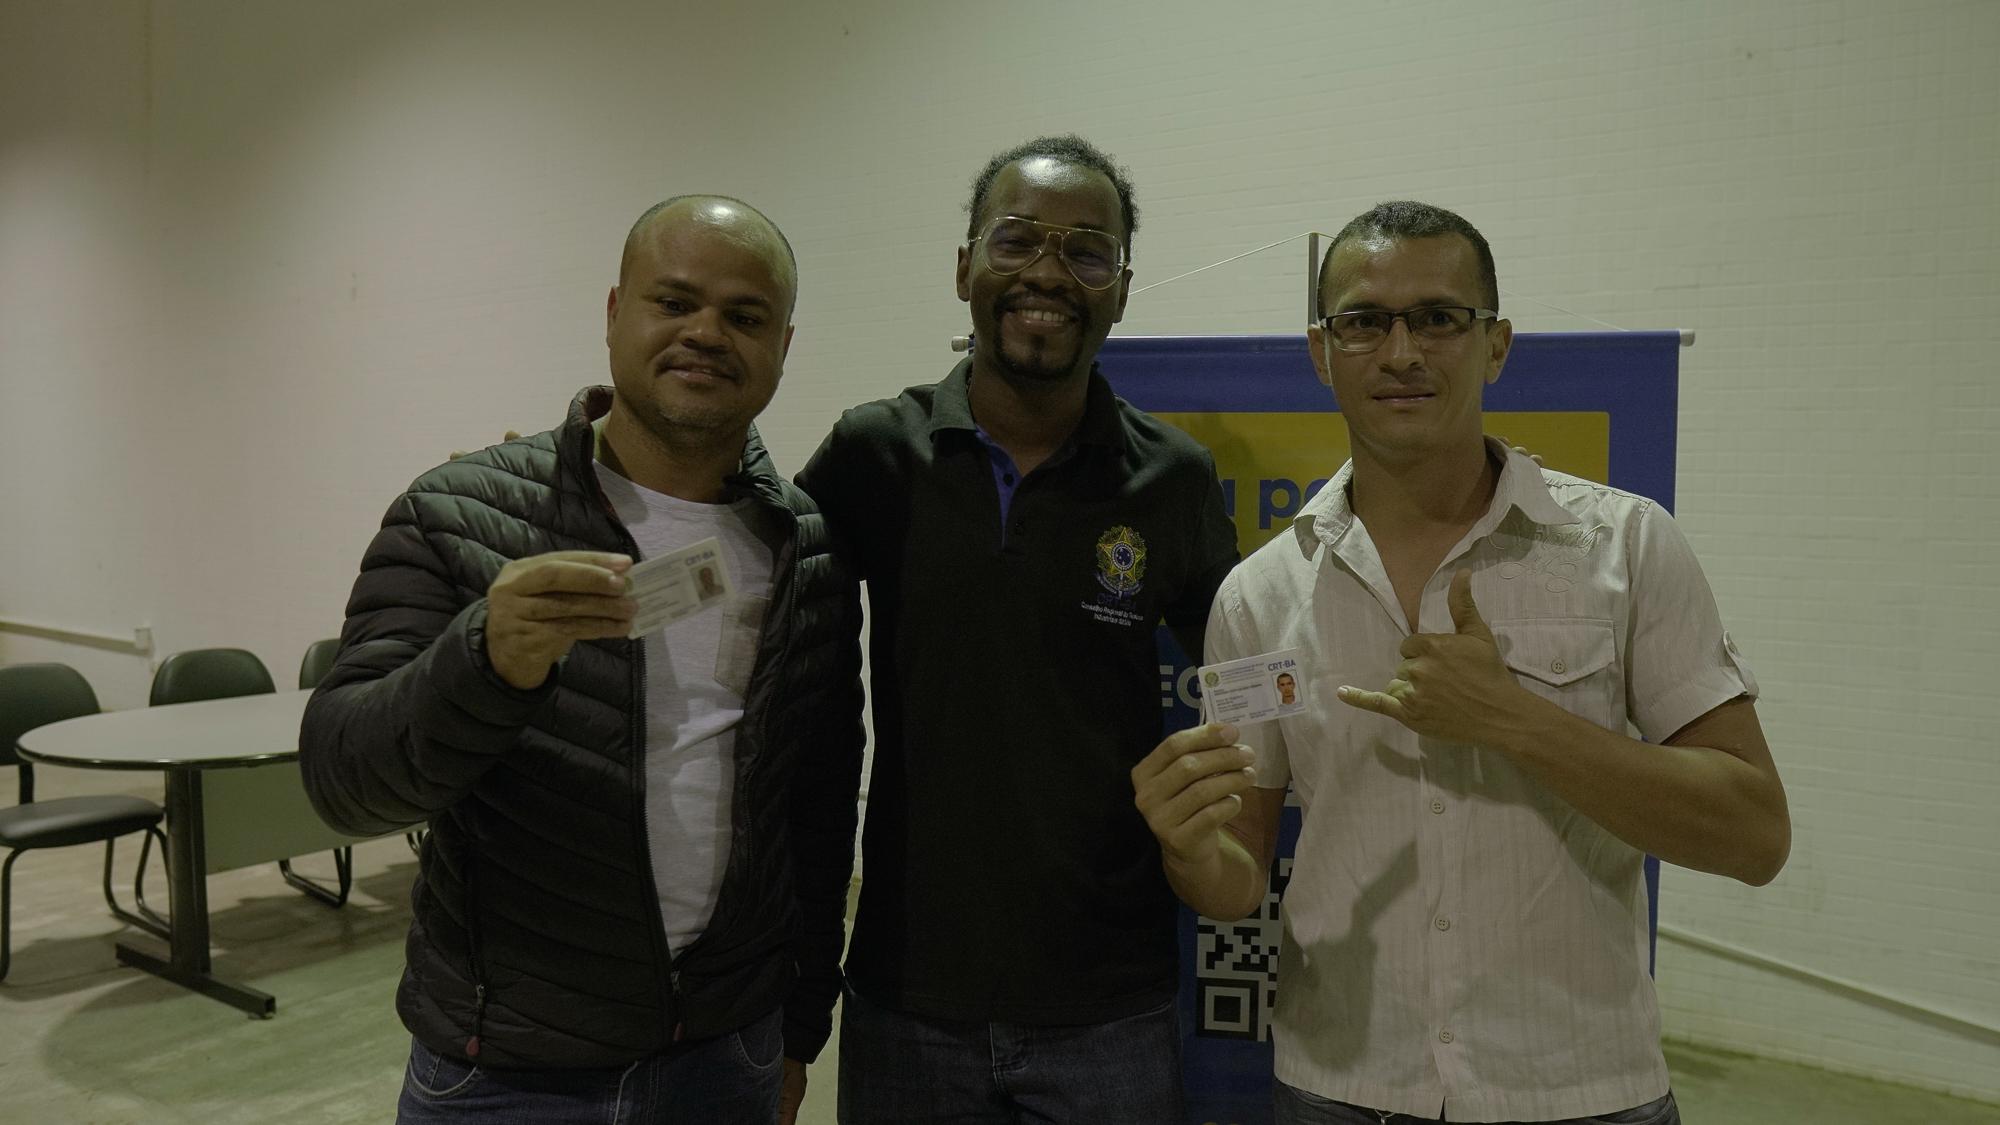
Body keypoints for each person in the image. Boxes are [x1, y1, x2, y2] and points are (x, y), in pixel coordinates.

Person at [1132, 201, 1790, 1124]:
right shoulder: (1259, 596)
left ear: (1496, 345)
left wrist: (1514, 719)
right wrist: (1189, 848)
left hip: (1580, 1091)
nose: (1402, 351)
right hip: (1341, 1088)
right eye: (1365, 322)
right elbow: (1236, 883)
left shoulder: (1627, 545)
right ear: (1322, 353)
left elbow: (1754, 835)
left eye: (1439, 317)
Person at [300, 195, 863, 1125]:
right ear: (613, 313)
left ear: (783, 345)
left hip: (728, 1055)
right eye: (673, 301)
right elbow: (343, 781)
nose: (705, 332)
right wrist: (484, 660)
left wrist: (801, 1026)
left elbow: (818, 806)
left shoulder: (806, 547)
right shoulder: (459, 513)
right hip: (505, 1072)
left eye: (744, 315)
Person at [794, 135, 1239, 1123]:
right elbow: (753, 591)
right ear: (964, 268)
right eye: (1017, 240)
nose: (1047, 272)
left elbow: (1255, 668)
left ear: (1121, 290)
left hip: (1110, 1001)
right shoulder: (874, 453)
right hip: (909, 992)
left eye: (1087, 251)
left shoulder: (1172, 479)